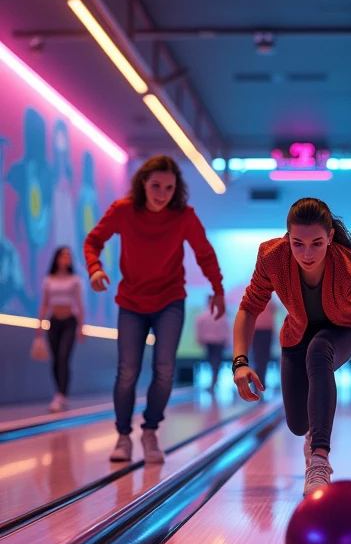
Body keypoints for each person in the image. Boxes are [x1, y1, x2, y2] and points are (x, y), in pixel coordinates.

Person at [232, 197, 351, 495]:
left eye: (317, 243)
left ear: (330, 237)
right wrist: (240, 361)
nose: (307, 253)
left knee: (319, 351)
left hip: (343, 330)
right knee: (297, 424)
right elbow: (249, 307)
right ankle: (311, 437)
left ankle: (319, 460)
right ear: (287, 238)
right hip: (296, 334)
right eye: (298, 244)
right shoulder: (272, 256)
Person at [84, 155, 225, 464]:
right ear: (143, 184)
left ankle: (149, 431)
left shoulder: (184, 216)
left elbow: (205, 254)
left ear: (177, 190)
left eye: (169, 188)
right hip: (132, 302)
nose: (162, 193)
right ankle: (123, 435)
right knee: (127, 371)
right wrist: (94, 268)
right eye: (156, 186)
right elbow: (93, 241)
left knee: (164, 371)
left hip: (170, 300)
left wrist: (217, 288)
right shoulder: (123, 211)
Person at [36, 246, 85, 412]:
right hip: (54, 321)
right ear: (57, 258)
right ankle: (58, 392)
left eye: (68, 256)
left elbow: (79, 303)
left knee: (64, 357)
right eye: (63, 255)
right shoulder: (49, 280)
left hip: (69, 322)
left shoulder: (75, 280)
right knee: (56, 359)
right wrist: (39, 324)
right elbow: (44, 303)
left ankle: (61, 395)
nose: (66, 258)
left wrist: (81, 326)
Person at [195, 295, 230, 391]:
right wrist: (227, 341)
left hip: (211, 342)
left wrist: (200, 339)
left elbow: (199, 327)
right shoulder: (221, 314)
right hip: (217, 342)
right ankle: (214, 382)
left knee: (212, 362)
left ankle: (213, 382)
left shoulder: (203, 315)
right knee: (215, 362)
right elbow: (226, 329)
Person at [250, 296, 277, 388]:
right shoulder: (269, 299)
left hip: (257, 330)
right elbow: (275, 310)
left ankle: (258, 381)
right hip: (265, 330)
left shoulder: (252, 298)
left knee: (258, 357)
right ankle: (260, 381)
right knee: (263, 358)